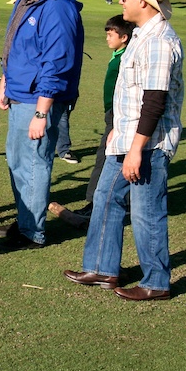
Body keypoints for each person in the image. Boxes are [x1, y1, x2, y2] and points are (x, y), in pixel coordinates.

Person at [63, 0, 184, 301]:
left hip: (147, 146)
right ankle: (103, 268)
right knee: (105, 198)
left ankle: (156, 282)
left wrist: (135, 149)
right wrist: (119, 129)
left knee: (147, 213)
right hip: (126, 139)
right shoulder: (141, 35)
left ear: (145, 2)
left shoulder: (159, 42)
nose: (121, 0)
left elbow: (155, 101)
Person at [0, 0, 84, 249]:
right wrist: (5, 82)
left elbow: (57, 62)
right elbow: (14, 45)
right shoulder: (26, 0)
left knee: (34, 163)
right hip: (20, 95)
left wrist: (42, 113)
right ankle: (25, 222)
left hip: (39, 101)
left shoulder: (57, 7)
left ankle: (33, 233)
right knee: (17, 161)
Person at [49, 14, 135, 227]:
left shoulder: (126, 58)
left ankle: (97, 203)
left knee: (105, 158)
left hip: (119, 114)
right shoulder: (118, 54)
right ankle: (110, 201)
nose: (107, 38)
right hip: (113, 113)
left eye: (110, 34)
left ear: (124, 37)